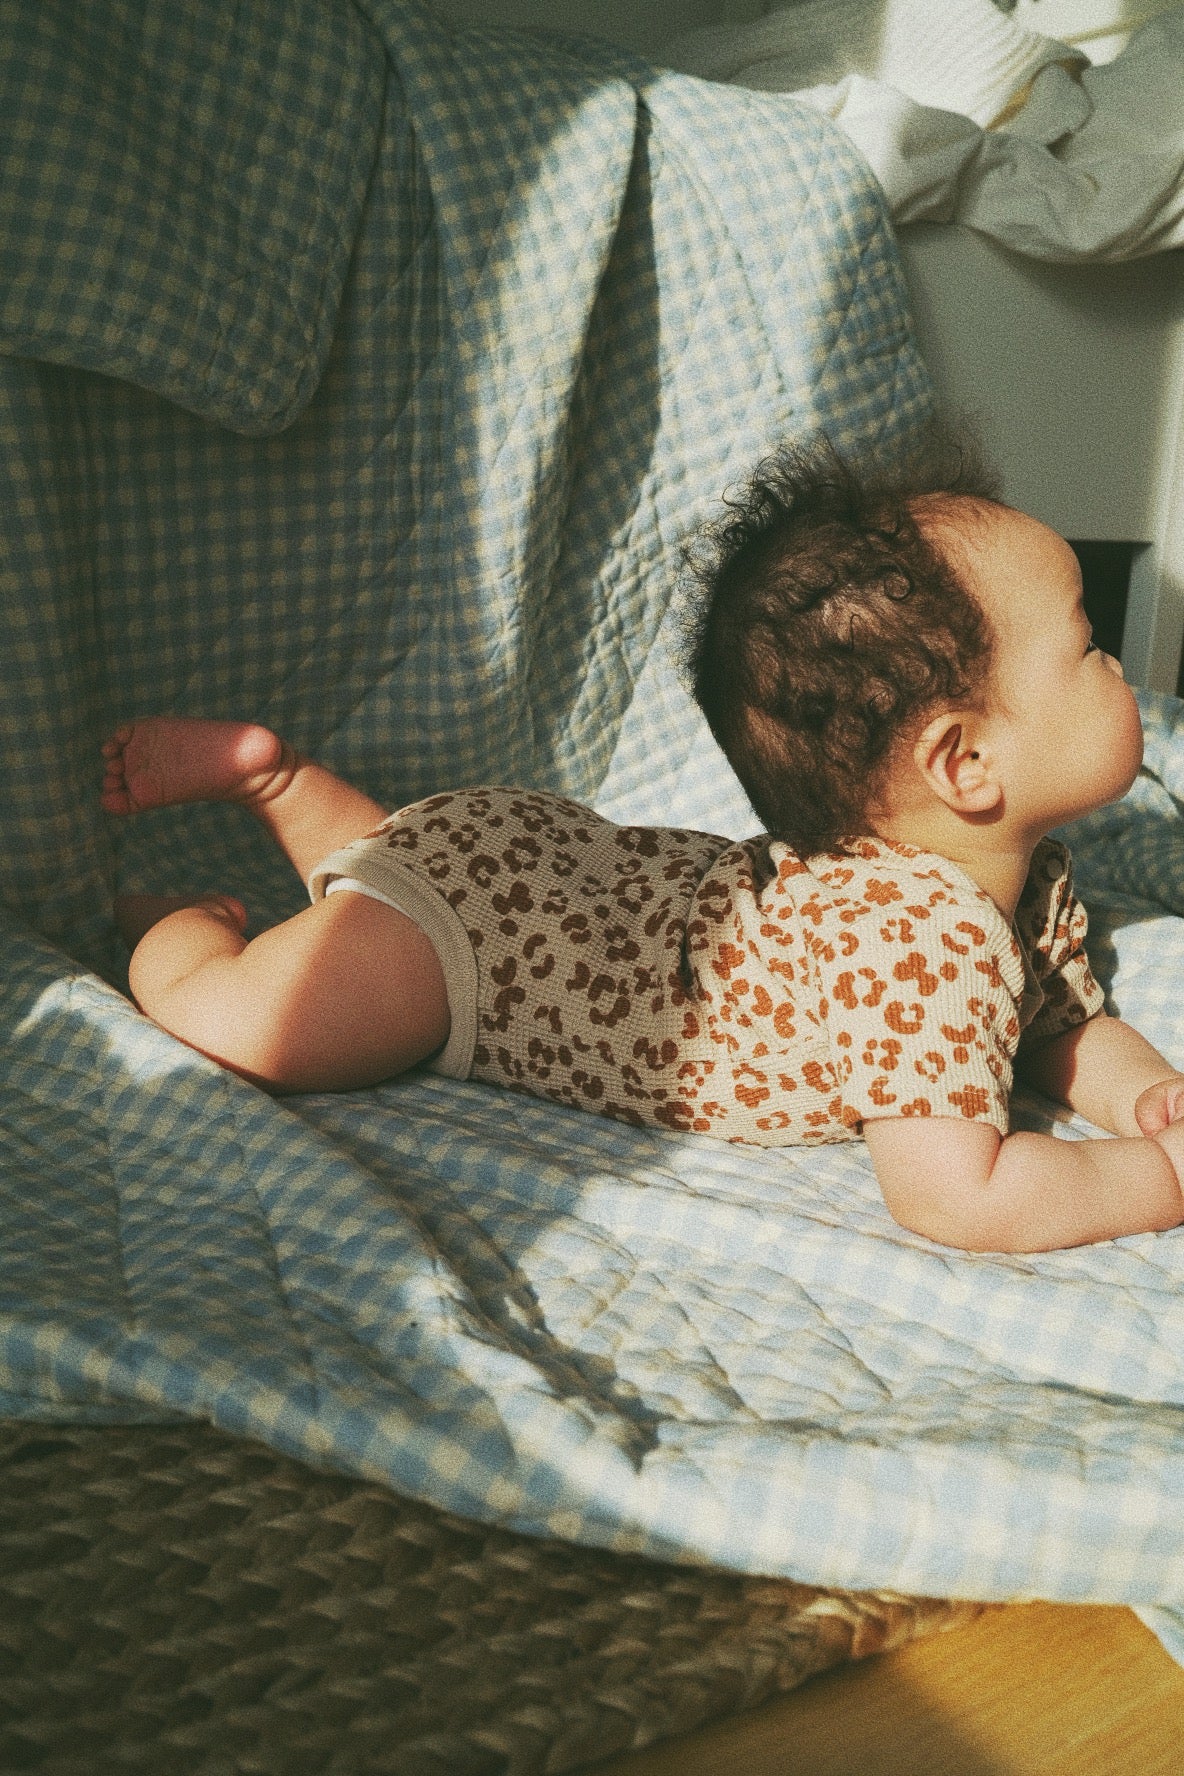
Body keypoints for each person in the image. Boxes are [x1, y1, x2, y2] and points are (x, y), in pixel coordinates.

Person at [101, 442, 1184, 1255]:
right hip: (488, 958)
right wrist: (1154, 1181)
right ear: (964, 766)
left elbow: (1054, 1028)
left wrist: (1148, 1101)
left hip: (539, 875)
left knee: (392, 890)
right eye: (1086, 645)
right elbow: (957, 1196)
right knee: (259, 1030)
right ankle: (177, 927)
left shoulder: (1014, 880)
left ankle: (286, 787)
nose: (1110, 665)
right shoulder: (916, 944)